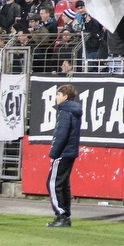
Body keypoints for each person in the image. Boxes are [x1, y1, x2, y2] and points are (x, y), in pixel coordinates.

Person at [47, 84, 81, 227]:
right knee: (63, 183)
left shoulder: (65, 111)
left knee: (52, 183)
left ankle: (61, 215)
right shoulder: (74, 111)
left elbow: (61, 134)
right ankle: (65, 214)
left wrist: (53, 153)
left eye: (58, 94)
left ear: (65, 97)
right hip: (70, 152)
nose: (56, 97)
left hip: (63, 152)